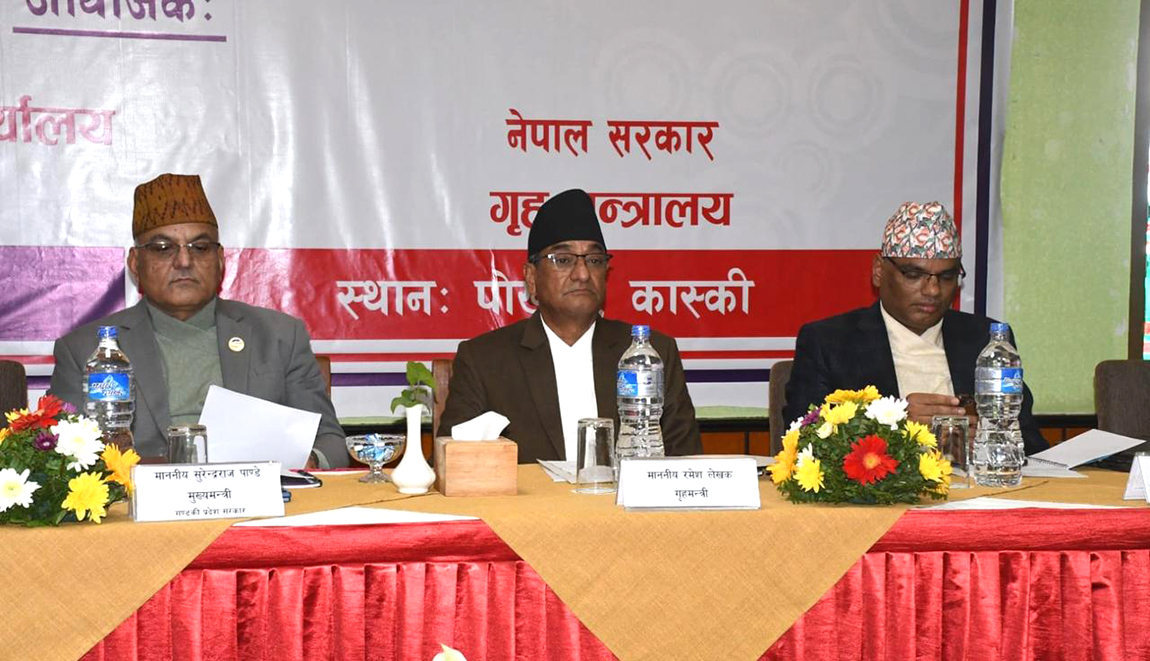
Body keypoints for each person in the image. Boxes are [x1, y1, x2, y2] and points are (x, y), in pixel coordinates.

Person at [49, 173, 348, 467]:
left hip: (254, 494)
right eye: (163, 248)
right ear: (135, 264)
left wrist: (307, 462)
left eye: (200, 247)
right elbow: (59, 458)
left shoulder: (279, 336)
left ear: (219, 260)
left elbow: (330, 441)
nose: (184, 261)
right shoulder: (84, 350)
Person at [440, 188, 702, 463]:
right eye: (563, 260)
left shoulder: (650, 355)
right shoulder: (485, 361)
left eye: (594, 260)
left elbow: (688, 464)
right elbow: (453, 466)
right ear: (531, 278)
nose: (582, 274)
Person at [782, 201, 1047, 455]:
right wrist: (893, 425)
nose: (933, 290)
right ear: (878, 271)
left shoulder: (983, 339)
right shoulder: (830, 342)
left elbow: (1030, 440)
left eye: (946, 277)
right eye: (914, 275)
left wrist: (989, 438)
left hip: (973, 483)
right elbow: (802, 440)